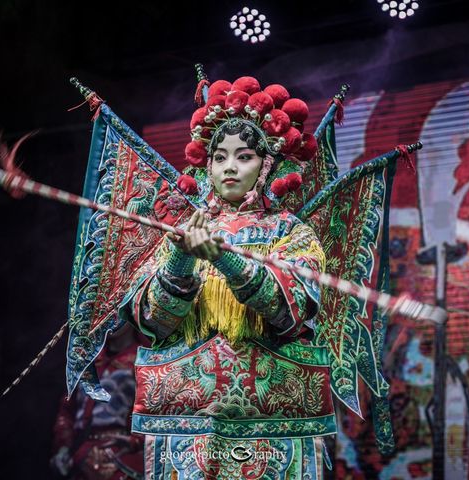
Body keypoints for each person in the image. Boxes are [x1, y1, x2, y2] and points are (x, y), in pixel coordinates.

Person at [123, 77, 335, 479]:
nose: (230, 168)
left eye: (244, 156)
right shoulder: (185, 231)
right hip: (188, 416)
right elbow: (151, 318)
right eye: (219, 157)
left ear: (267, 163)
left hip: (273, 417)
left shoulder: (290, 232)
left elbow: (289, 309)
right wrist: (181, 260)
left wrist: (225, 260)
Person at [51, 324, 145, 480]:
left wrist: (136, 443)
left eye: (118, 311)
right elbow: (66, 410)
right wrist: (63, 447)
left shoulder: (145, 360)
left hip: (125, 462)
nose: (112, 320)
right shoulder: (86, 360)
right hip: (81, 459)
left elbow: (156, 414)